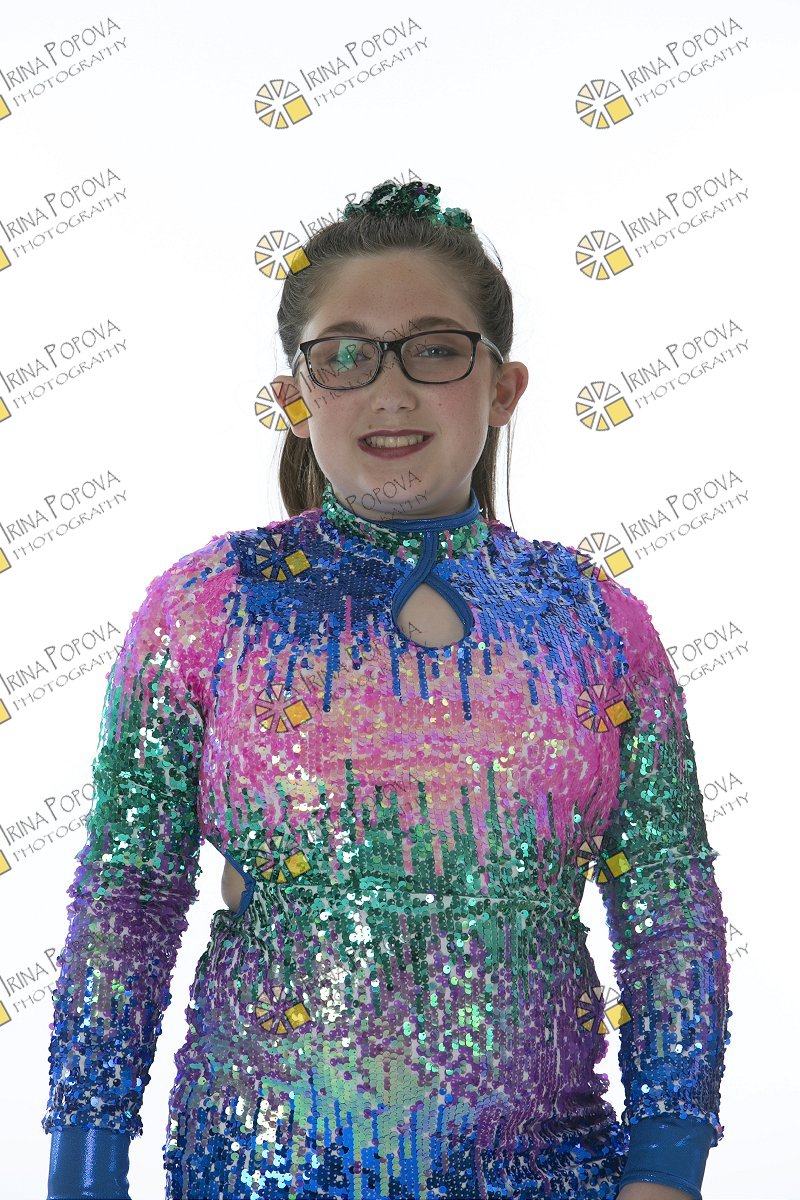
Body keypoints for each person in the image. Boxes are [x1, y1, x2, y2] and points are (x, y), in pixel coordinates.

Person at [43, 179, 732, 1200]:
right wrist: (84, 1168)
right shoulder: (210, 606)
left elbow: (667, 905)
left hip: (550, 1175)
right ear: (297, 396)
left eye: (435, 350)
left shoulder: (594, 621)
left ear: (503, 388)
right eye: (346, 355)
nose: (390, 390)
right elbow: (128, 900)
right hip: (256, 1171)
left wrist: (668, 1166)